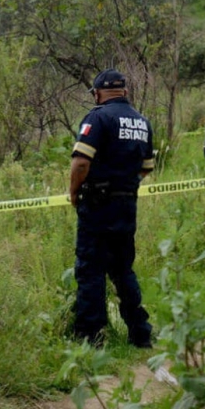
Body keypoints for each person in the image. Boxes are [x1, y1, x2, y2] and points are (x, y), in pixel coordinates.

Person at [69, 68, 154, 348]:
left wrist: (74, 192)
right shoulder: (143, 122)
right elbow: (147, 168)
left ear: (97, 93)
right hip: (127, 205)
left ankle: (90, 338)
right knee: (123, 269)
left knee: (91, 269)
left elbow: (81, 162)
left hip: (97, 205)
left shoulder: (98, 117)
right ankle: (140, 333)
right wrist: (124, 185)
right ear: (125, 92)